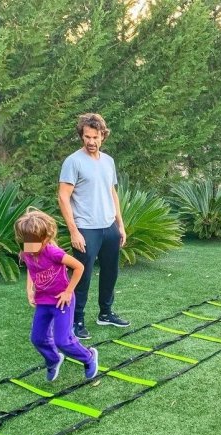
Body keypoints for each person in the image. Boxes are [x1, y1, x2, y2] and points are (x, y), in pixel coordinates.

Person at [58, 113, 130, 340]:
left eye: (95, 137)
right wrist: (73, 231)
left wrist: (120, 224)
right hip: (85, 229)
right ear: (82, 136)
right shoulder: (73, 161)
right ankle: (76, 320)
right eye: (87, 136)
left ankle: (105, 313)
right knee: (83, 275)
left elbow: (112, 193)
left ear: (103, 137)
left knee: (111, 272)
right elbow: (63, 196)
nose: (91, 141)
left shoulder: (108, 161)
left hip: (108, 226)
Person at [14, 209, 99, 381]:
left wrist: (68, 292)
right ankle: (53, 360)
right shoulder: (26, 252)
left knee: (63, 340)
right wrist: (29, 290)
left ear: (45, 238)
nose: (30, 245)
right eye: (26, 240)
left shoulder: (53, 252)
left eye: (34, 241)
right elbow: (32, 270)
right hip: (43, 302)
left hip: (62, 301)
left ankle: (88, 357)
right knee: (37, 338)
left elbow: (79, 267)